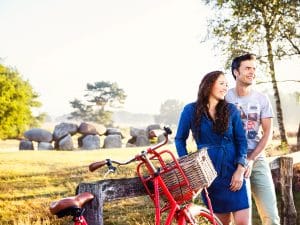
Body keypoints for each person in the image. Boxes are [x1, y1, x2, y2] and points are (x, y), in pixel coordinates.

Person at [175, 71, 250, 225]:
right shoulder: (190, 110)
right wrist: (187, 166)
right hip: (208, 174)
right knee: (221, 222)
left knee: (243, 222)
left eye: (226, 84)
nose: (225, 87)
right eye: (221, 83)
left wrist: (240, 170)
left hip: (233, 170)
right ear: (209, 85)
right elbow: (179, 139)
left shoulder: (231, 110)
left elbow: (242, 142)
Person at [226, 53, 280, 225]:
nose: (252, 72)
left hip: (256, 158)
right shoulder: (226, 98)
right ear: (236, 72)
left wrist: (250, 159)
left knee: (270, 216)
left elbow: (268, 132)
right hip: (231, 161)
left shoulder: (261, 99)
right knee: (239, 217)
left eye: (254, 68)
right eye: (247, 68)